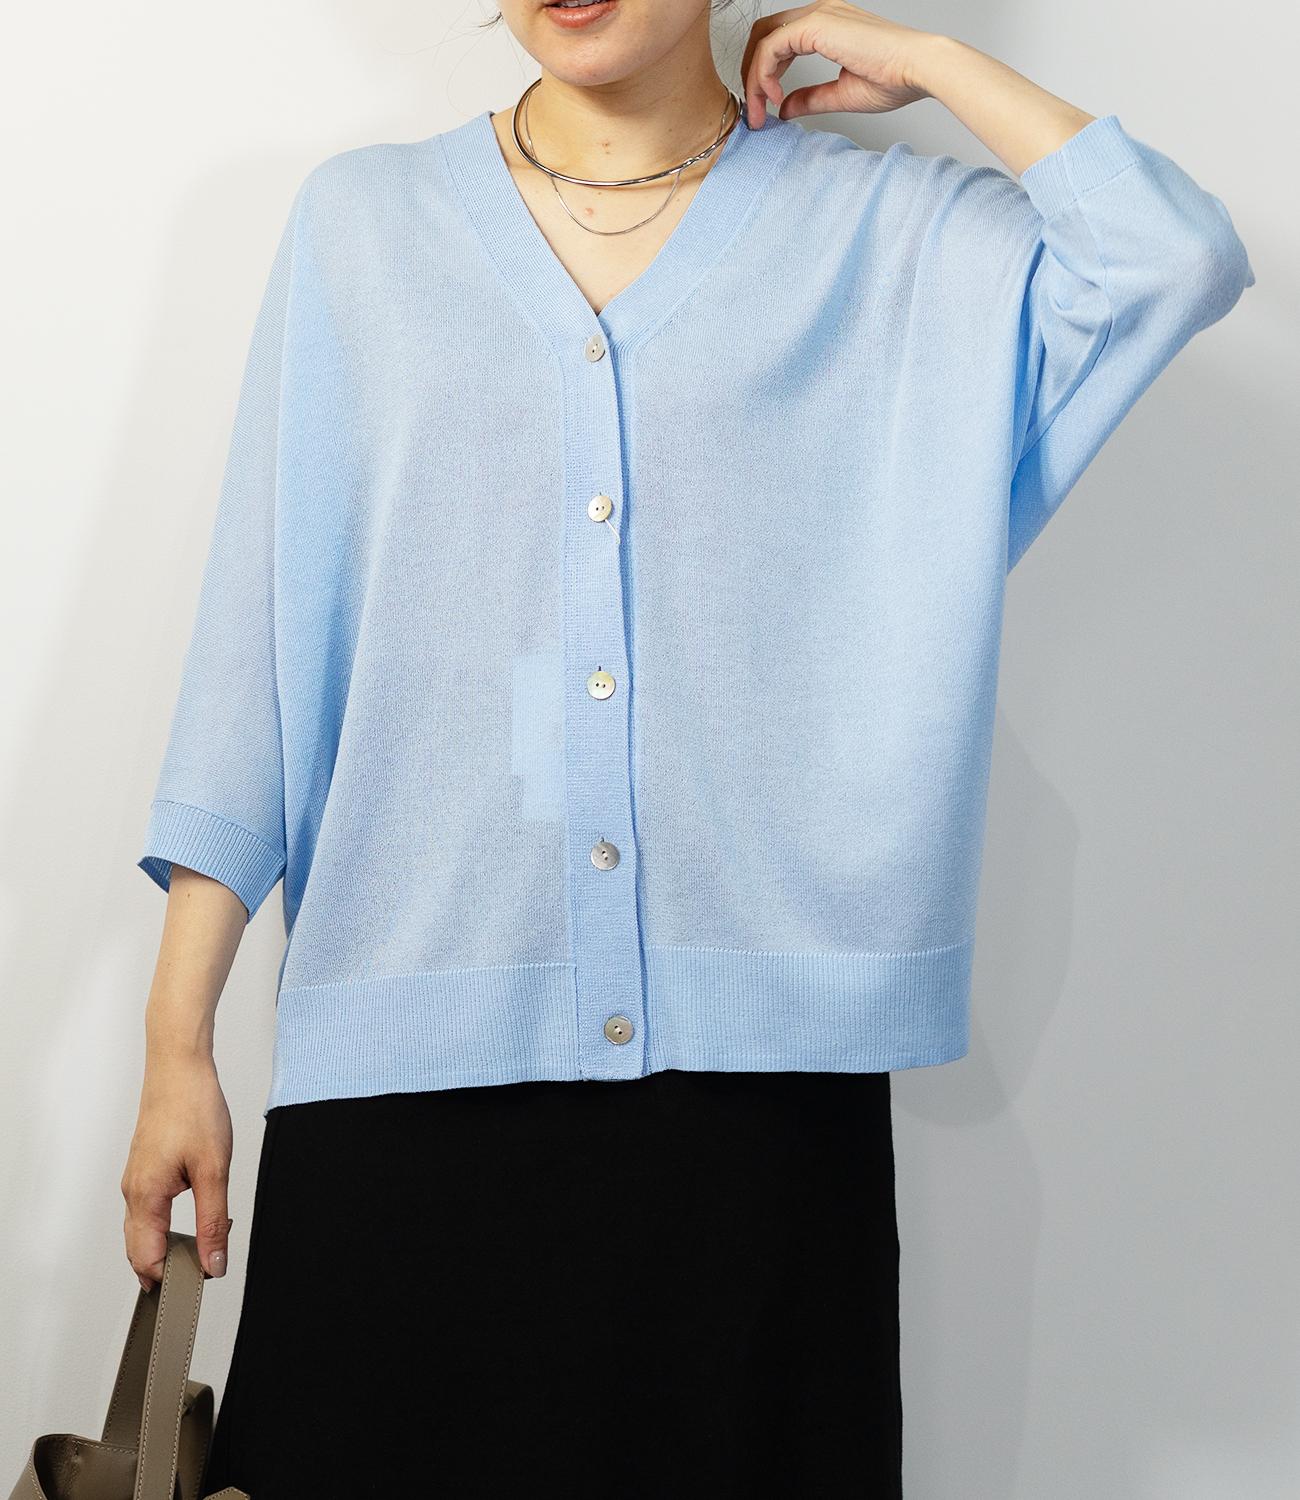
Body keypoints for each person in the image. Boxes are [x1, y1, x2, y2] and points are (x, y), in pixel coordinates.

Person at [119, 2, 1254, 1495]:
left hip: (755, 1111)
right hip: (405, 1071)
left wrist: (926, 64)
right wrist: (177, 1043)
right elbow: (262, 651)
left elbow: (1170, 258)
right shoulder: (363, 229)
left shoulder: (889, 238)